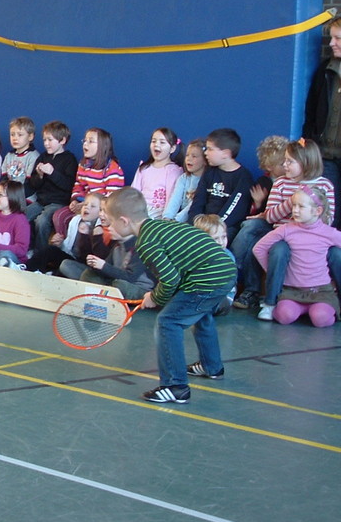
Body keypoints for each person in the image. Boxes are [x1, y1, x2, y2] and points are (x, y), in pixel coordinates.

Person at [103, 187, 236, 404]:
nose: (109, 226)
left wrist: (154, 298)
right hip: (225, 271)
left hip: (207, 278)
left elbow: (170, 279)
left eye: (110, 221)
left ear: (125, 221)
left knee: (168, 322)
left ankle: (175, 386)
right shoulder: (162, 225)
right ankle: (212, 366)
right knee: (200, 314)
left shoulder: (145, 243)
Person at [232, 135, 309, 312]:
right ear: (269, 167)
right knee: (249, 228)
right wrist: (258, 205)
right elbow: (255, 214)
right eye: (282, 163)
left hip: (285, 225)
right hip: (267, 222)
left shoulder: (299, 181)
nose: (286, 166)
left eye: (288, 162)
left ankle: (251, 289)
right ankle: (235, 269)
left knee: (257, 240)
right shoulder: (265, 182)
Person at [253, 184, 341, 326]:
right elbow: (259, 248)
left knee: (321, 319)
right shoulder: (286, 229)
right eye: (294, 206)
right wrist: (272, 271)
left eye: (301, 207)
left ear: (317, 211)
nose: (295, 210)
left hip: (320, 292)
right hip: (291, 292)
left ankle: (324, 308)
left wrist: (331, 279)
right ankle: (286, 307)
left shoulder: (328, 233)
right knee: (284, 317)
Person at [51, 127, 124, 244]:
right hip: (83, 204)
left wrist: (87, 206)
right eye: (85, 141)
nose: (86, 144)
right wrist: (75, 201)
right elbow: (78, 185)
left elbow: (111, 198)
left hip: (100, 209)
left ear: (103, 146)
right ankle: (63, 243)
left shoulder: (112, 168)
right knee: (59, 216)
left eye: (91, 141)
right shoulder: (83, 165)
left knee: (84, 224)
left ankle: (78, 251)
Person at [302, 13, 341, 228]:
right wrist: (309, 140)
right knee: (327, 211)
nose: (331, 43)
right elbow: (312, 109)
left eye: (337, 39)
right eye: (331, 38)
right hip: (325, 154)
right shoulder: (326, 70)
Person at [188, 127, 254, 244]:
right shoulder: (209, 171)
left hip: (225, 228)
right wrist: (196, 224)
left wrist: (213, 228)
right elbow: (198, 202)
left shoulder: (243, 177)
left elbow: (233, 209)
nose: (205, 153)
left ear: (225, 153)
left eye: (210, 149)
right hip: (203, 225)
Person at [26, 120, 77, 252]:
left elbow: (68, 185)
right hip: (41, 201)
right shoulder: (43, 157)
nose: (46, 143)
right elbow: (34, 184)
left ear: (62, 140)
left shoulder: (69, 159)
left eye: (50, 139)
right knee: (21, 216)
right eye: (44, 140)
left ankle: (41, 254)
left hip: (58, 202)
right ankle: (25, 249)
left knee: (42, 222)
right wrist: (40, 175)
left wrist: (52, 173)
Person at [130, 127, 184, 218]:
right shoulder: (144, 168)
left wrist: (167, 217)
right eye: (153, 141)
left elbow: (172, 198)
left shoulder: (173, 170)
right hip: (140, 209)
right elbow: (134, 191)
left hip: (158, 212)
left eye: (162, 142)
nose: (156, 145)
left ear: (172, 148)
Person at [163, 138, 206, 222]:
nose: (188, 159)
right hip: (177, 219)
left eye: (194, 156)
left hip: (192, 220)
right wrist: (166, 218)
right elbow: (175, 199)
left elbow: (192, 206)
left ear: (205, 161)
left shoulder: (206, 181)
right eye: (187, 155)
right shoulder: (183, 178)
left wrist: (176, 221)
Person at [0, 116, 40, 189]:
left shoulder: (33, 156)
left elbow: (30, 184)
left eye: (20, 135)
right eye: (12, 134)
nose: (15, 138)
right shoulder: (9, 156)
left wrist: (16, 197)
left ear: (30, 136)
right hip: (9, 194)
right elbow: (4, 178)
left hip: (26, 197)